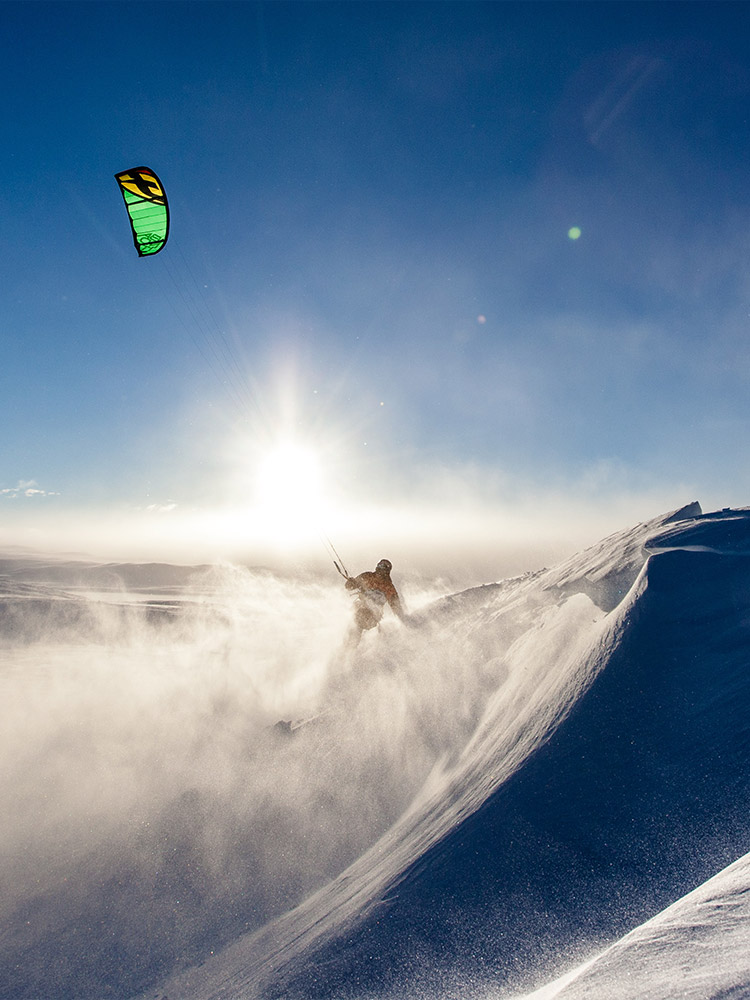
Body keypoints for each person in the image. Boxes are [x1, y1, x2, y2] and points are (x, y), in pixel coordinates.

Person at [344, 558, 406, 646]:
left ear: (387, 570)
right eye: (378, 565)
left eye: (382, 567)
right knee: (354, 622)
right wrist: (351, 583)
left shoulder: (388, 586)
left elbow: (396, 606)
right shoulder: (367, 576)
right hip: (360, 607)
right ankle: (348, 647)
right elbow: (349, 586)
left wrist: (404, 620)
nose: (379, 568)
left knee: (360, 619)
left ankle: (352, 646)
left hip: (373, 614)